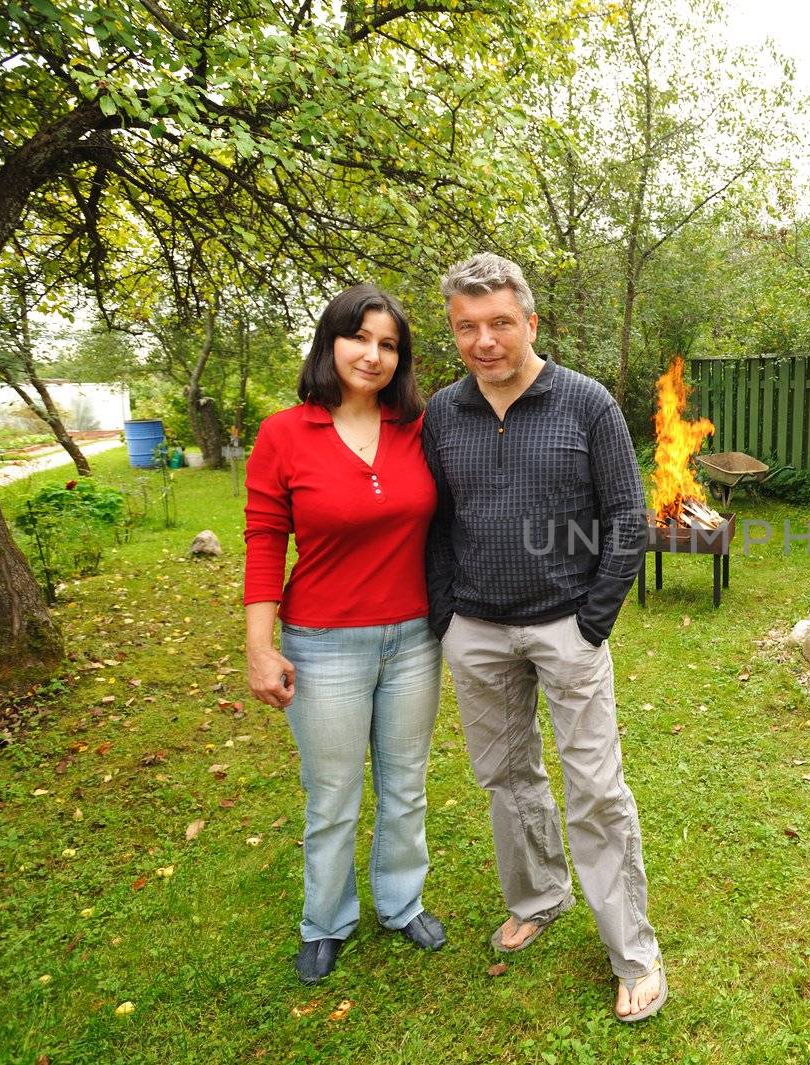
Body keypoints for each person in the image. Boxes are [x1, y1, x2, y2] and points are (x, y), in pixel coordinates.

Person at [423, 252, 666, 1021]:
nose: (484, 340)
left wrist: (591, 620)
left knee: (595, 789)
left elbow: (629, 517)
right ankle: (538, 894)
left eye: (499, 322)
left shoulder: (585, 403)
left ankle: (634, 952)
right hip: (479, 631)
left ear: (530, 321)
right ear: (454, 333)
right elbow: (432, 523)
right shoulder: (441, 413)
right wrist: (446, 617)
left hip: (566, 628)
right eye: (468, 326)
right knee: (506, 777)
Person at [244, 284, 446, 984]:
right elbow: (266, 540)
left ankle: (401, 901)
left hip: (416, 639)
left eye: (389, 344)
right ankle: (325, 918)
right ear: (331, 342)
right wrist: (259, 645)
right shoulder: (284, 434)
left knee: (406, 783)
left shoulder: (419, 428)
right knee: (331, 793)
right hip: (323, 642)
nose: (373, 354)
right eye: (360, 337)